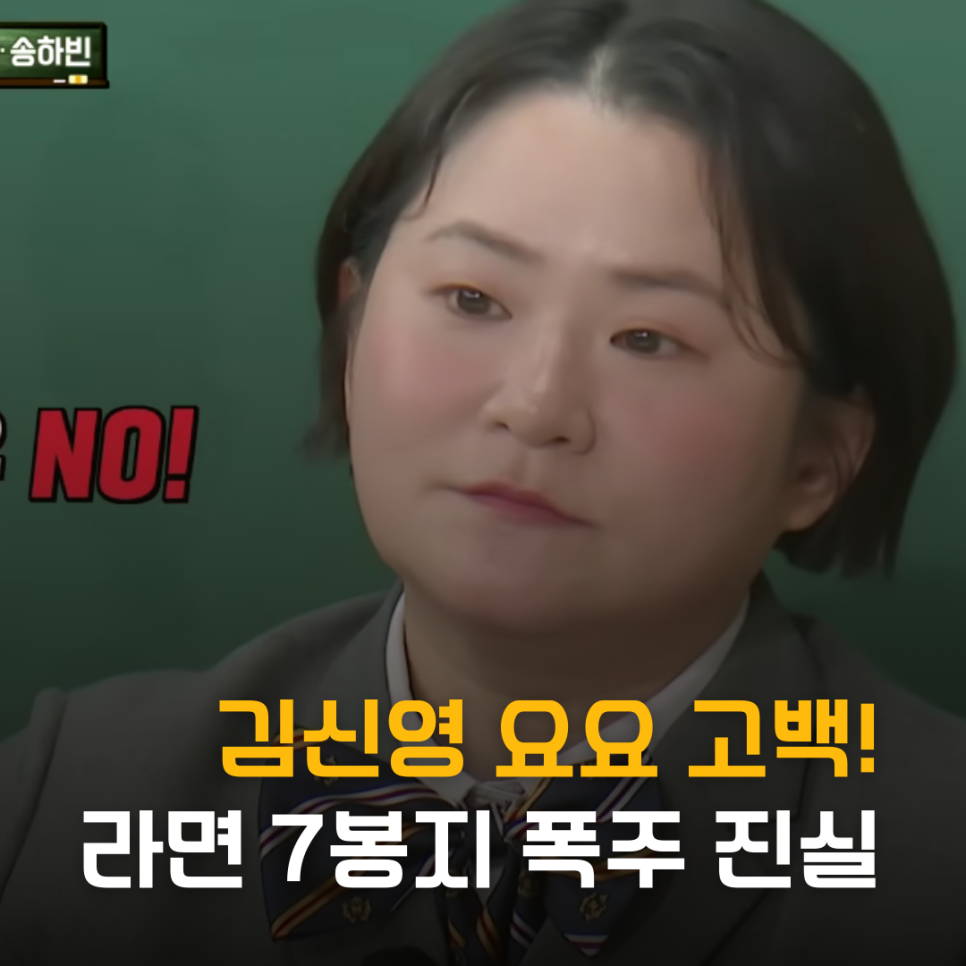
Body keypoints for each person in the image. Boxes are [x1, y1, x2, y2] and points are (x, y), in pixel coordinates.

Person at [1, 0, 964, 963]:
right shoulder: (64, 803)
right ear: (351, 328)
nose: (536, 405)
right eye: (473, 299)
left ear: (819, 458)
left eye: (648, 339)